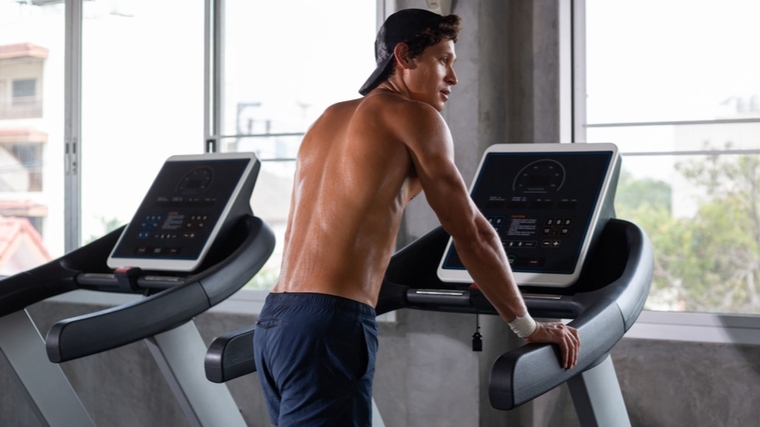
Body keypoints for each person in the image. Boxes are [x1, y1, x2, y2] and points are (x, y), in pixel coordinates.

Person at [253, 8, 581, 426]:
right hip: (330, 323)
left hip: (276, 319)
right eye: (443, 60)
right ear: (404, 57)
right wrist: (528, 327)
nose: (453, 78)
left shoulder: (329, 118)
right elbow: (474, 236)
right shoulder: (417, 117)